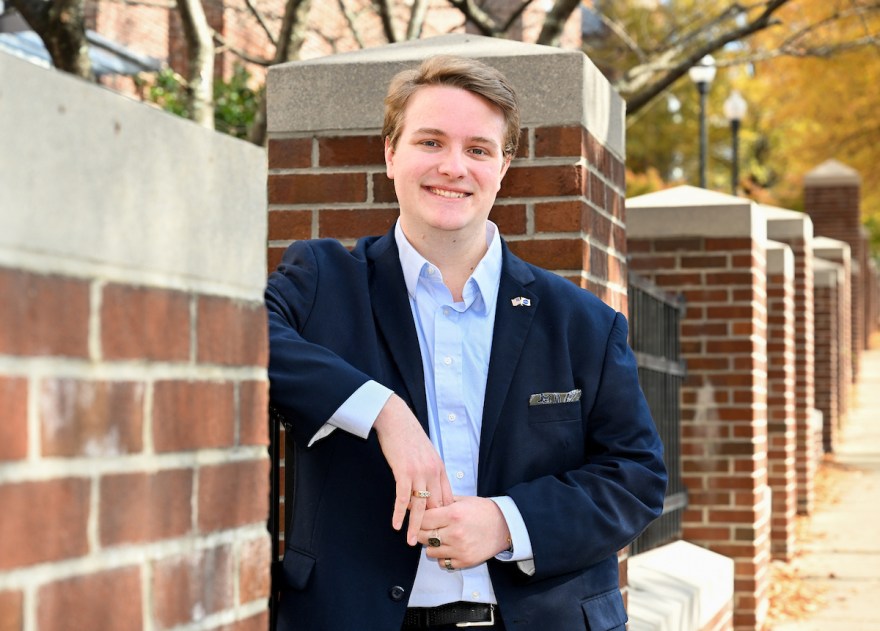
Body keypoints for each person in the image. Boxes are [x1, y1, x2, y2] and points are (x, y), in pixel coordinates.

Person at [266, 54, 667, 631]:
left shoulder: (580, 321)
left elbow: (637, 478)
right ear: (390, 153)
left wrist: (508, 523)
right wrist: (382, 410)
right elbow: (245, 336)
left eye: (478, 149)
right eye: (430, 142)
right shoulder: (324, 281)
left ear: (503, 167)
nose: (453, 167)